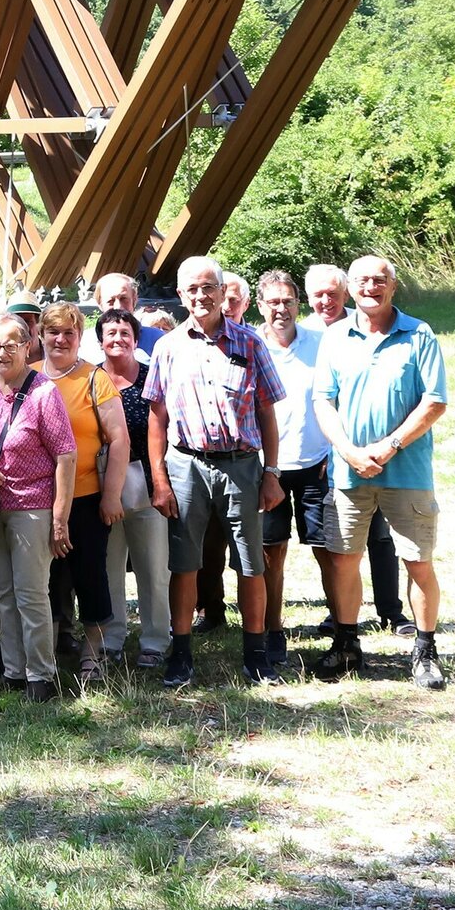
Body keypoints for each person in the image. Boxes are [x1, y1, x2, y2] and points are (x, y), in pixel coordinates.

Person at [145, 256, 287, 690]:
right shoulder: (168, 346)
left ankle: (256, 655)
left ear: (223, 292)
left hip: (241, 466)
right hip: (186, 465)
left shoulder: (249, 343)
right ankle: (181, 655)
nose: (200, 296)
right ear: (182, 295)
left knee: (250, 564)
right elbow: (156, 419)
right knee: (184, 565)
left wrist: (271, 472)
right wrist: (160, 480)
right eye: (192, 289)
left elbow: (267, 413)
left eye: (208, 287)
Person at [311, 257, 449, 690]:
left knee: (417, 562)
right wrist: (349, 451)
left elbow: (435, 401)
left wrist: (387, 447)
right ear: (350, 288)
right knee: (344, 560)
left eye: (379, 279)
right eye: (363, 280)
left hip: (406, 470)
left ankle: (425, 651)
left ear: (393, 286)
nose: (371, 286)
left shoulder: (419, 334)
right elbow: (322, 401)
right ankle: (347, 644)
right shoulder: (335, 337)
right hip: (349, 473)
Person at [0, 313, 76, 700]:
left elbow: (66, 456)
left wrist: (59, 518)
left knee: (31, 594)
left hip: (33, 506)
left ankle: (41, 677)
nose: (2, 352)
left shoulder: (44, 392)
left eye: (11, 345)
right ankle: (13, 672)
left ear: (28, 346)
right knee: (3, 594)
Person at [300, 262, 413, 636]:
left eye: (332, 293)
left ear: (345, 293)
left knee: (380, 537)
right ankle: (341, 616)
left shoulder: (365, 321)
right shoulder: (304, 334)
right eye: (317, 294)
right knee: (339, 545)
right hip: (328, 455)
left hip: (373, 453)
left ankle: (391, 612)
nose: (325, 301)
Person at [34, 302, 129, 688]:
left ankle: (92, 656)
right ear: (40, 335)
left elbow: (119, 440)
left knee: (90, 575)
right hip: (36, 500)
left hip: (87, 497)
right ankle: (51, 650)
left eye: (68, 333)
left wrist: (111, 495)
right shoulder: (29, 377)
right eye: (53, 331)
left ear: (79, 337)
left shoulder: (95, 379)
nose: (60, 339)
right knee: (47, 580)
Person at [255, 270, 329, 669]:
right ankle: (272, 631)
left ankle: (342, 628)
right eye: (273, 302)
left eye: (287, 301)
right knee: (271, 555)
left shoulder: (322, 344)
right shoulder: (250, 345)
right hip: (271, 468)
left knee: (329, 551)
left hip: (317, 463)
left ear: (297, 304)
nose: (280, 308)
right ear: (260, 305)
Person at [96, 308, 172, 669]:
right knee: (108, 566)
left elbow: (163, 429)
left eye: (124, 333)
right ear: (100, 341)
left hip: (146, 480)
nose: (117, 339)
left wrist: (161, 482)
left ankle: (156, 640)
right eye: (110, 333)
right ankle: (110, 638)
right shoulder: (91, 380)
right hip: (101, 485)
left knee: (153, 566)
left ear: (136, 340)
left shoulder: (150, 378)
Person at [79, 273, 163, 361]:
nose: (118, 306)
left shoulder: (157, 339)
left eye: (123, 299)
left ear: (134, 300)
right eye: (111, 301)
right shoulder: (84, 342)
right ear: (99, 303)